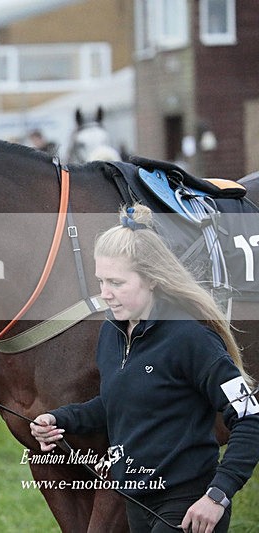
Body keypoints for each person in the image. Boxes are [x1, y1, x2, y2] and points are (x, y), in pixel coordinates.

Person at [30, 204, 259, 532]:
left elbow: (250, 416)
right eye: (101, 281)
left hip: (189, 506)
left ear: (152, 279)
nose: (105, 294)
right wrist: (60, 419)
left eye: (117, 282)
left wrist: (218, 495)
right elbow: (117, 401)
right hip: (137, 501)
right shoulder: (112, 333)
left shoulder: (191, 337)